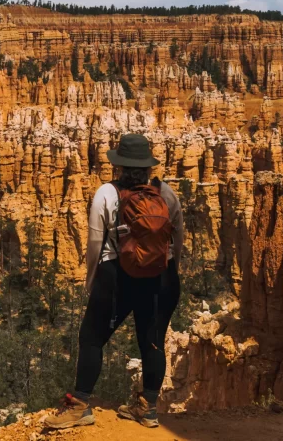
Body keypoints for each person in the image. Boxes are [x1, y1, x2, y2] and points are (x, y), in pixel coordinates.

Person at [43, 133, 183, 430]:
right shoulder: (166, 193)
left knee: (92, 338)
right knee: (152, 342)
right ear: (147, 166)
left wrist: (92, 280)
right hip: (162, 276)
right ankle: (147, 408)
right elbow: (177, 238)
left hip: (118, 276)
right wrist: (171, 271)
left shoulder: (106, 193)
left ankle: (79, 405)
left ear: (119, 165)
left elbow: (96, 242)